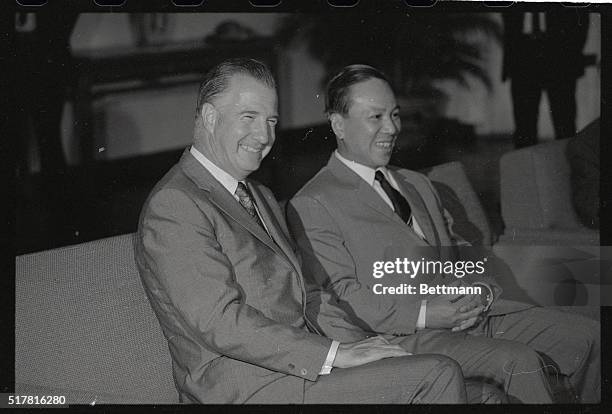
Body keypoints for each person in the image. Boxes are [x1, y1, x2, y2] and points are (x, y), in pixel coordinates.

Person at [134, 58, 467, 404]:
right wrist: (335, 354)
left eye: (272, 121)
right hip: (246, 388)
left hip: (298, 369)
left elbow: (306, 293)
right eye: (249, 118)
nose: (264, 136)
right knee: (438, 374)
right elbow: (221, 323)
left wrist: (358, 344)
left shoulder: (257, 194)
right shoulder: (176, 203)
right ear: (209, 117)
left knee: (477, 391)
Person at [287, 64, 600, 403]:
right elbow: (342, 294)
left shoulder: (417, 183)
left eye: (394, 114)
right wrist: (425, 313)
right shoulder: (313, 202)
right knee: (518, 362)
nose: (391, 128)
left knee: (590, 335)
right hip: (412, 335)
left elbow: (463, 252)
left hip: (480, 315)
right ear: (338, 124)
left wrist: (480, 289)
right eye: (375, 117)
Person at [502, 12, 590, 148]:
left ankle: (567, 166)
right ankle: (526, 167)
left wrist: (571, 55)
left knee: (564, 123)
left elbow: (581, 19)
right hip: (523, 57)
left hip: (559, 57)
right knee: (524, 127)